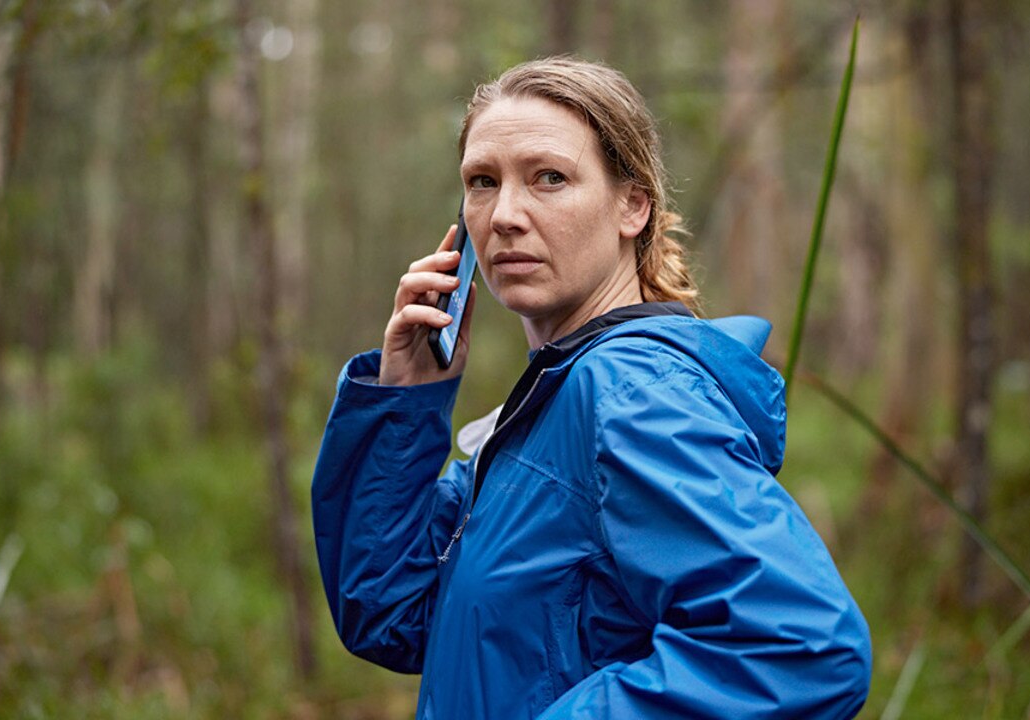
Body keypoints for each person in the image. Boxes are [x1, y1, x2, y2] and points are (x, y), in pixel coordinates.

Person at [312, 56, 871, 720]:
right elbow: (389, 610)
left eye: (550, 178)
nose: (505, 215)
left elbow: (798, 647)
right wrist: (404, 402)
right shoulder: (543, 413)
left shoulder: (629, 392)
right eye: (483, 182)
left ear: (632, 205)